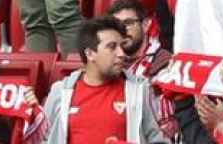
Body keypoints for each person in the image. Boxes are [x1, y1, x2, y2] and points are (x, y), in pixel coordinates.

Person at [41, 16, 174, 144]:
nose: (121, 54)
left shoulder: (140, 91)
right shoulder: (60, 92)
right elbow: (43, 138)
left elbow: (158, 140)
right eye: (112, 47)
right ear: (90, 53)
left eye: (122, 46)